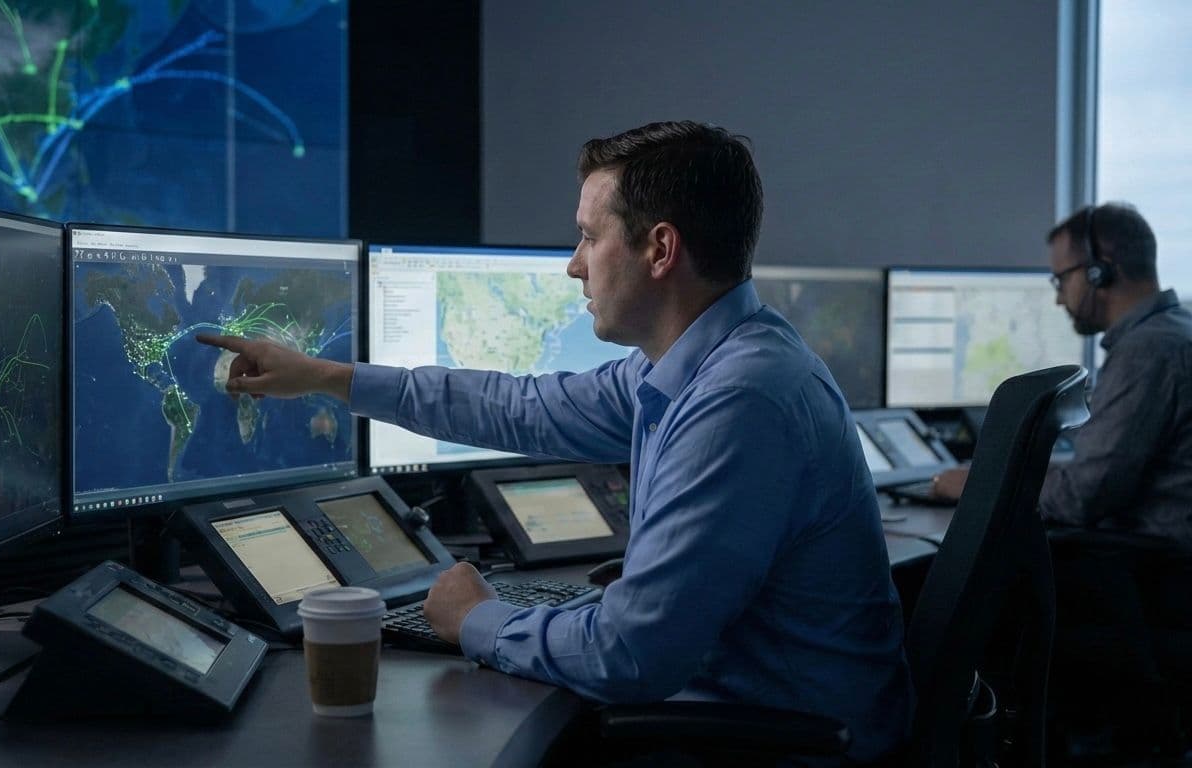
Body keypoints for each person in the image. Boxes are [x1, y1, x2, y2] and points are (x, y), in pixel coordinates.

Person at [198, 121, 911, 761]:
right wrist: (326, 377)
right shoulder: (713, 364)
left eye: (589, 237)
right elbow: (521, 408)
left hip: (778, 746)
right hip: (756, 713)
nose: (575, 264)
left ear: (660, 248)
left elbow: (630, 656)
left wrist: (474, 619)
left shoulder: (739, 401)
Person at [931, 203, 1192, 550]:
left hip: (1153, 567)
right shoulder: (1177, 329)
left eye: (1062, 279)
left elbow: (1081, 497)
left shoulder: (1146, 352)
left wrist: (978, 484)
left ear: (1100, 272)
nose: (1058, 298)